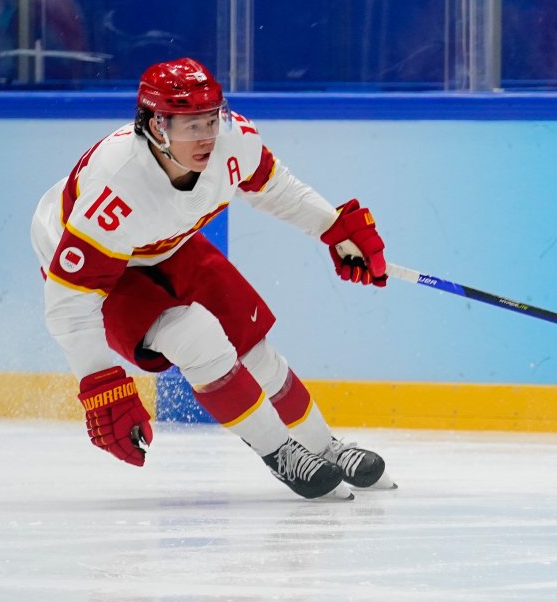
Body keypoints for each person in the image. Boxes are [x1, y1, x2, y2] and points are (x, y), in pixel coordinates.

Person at [30, 57, 395, 500]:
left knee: (252, 347)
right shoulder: (115, 190)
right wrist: (100, 384)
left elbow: (277, 189)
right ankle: (282, 453)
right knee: (193, 334)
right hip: (100, 262)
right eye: (190, 126)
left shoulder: (233, 140)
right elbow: (69, 304)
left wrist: (333, 228)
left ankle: (325, 446)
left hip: (163, 241)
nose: (206, 137)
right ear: (155, 126)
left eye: (210, 119)